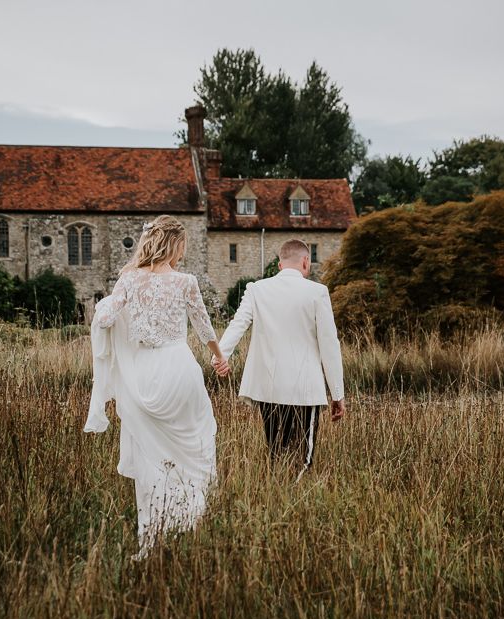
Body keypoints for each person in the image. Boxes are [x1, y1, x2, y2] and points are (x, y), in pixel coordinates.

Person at [84, 215, 229, 560]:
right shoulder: (186, 282)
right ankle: (191, 522)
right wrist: (219, 358)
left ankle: (153, 535)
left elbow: (104, 319)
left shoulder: (129, 280)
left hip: (142, 377)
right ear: (176, 244)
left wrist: (109, 307)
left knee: (150, 460)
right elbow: (204, 327)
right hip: (179, 369)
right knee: (194, 449)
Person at [212, 239, 345, 479]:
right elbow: (329, 344)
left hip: (269, 387)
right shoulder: (317, 292)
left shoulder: (257, 289)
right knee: (304, 455)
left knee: (275, 451)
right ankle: (294, 497)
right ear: (306, 261)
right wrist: (337, 394)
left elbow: (238, 323)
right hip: (305, 389)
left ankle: (277, 490)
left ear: (280, 265)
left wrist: (220, 355)